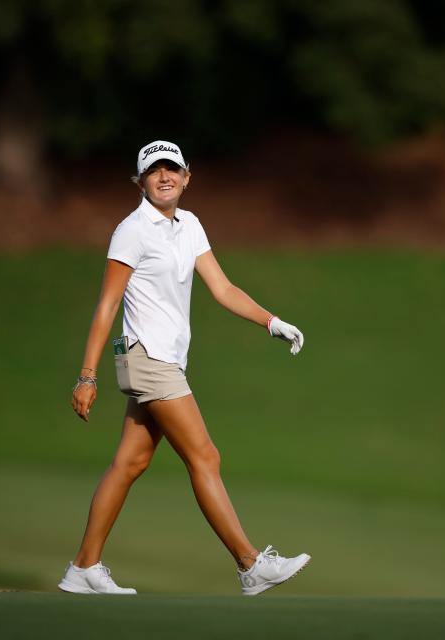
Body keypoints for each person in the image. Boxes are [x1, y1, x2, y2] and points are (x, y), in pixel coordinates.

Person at [58, 140, 311, 596]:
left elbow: (223, 287)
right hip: (148, 358)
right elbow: (107, 305)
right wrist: (87, 375)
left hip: (167, 360)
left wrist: (271, 321)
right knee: (205, 456)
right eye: (153, 171)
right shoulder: (131, 231)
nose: (164, 177)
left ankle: (83, 568)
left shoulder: (189, 225)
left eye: (171, 169)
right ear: (140, 181)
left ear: (187, 176)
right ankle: (251, 565)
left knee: (130, 462)